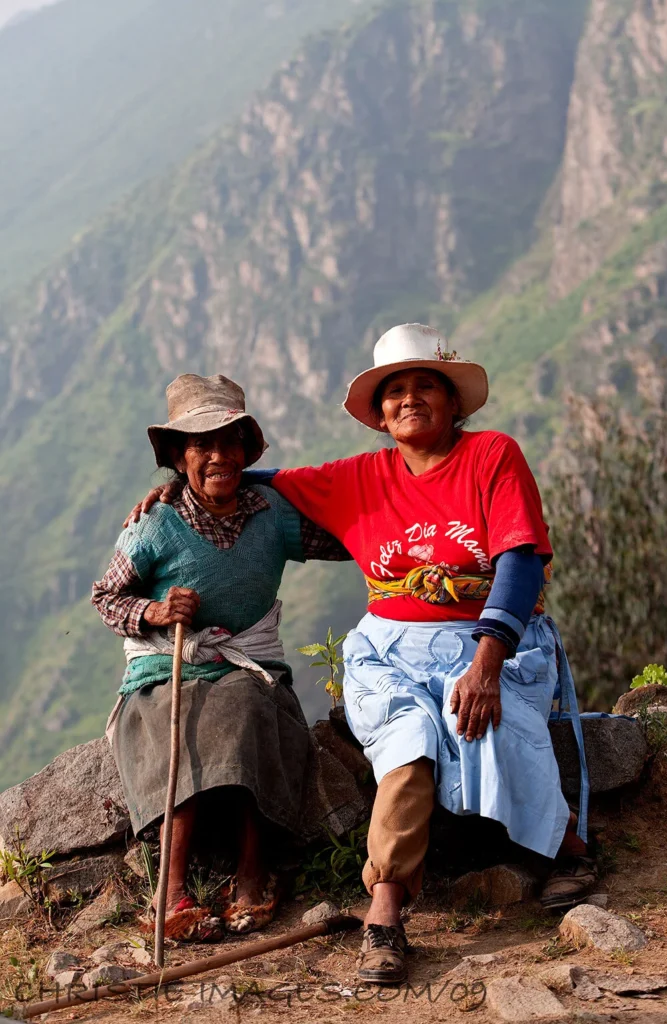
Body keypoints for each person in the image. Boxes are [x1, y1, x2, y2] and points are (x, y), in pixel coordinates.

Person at [130, 324, 594, 981]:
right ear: (379, 415)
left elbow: (518, 562)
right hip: (391, 647)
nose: (409, 399)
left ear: (453, 402)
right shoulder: (359, 477)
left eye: (425, 386)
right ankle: (385, 910)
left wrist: (488, 662)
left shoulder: (492, 456)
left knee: (494, 724)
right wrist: (183, 487)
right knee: (408, 739)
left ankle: (564, 846)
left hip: (487, 639)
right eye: (394, 391)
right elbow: (250, 478)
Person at [93, 373, 349, 940]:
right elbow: (106, 597)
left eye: (229, 442)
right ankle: (170, 891)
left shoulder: (272, 515)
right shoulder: (154, 524)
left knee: (249, 705)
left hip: (245, 666)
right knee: (179, 716)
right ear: (178, 458)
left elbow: (345, 540)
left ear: (246, 450)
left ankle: (253, 873)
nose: (218, 456)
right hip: (168, 668)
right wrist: (155, 610)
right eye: (201, 445)